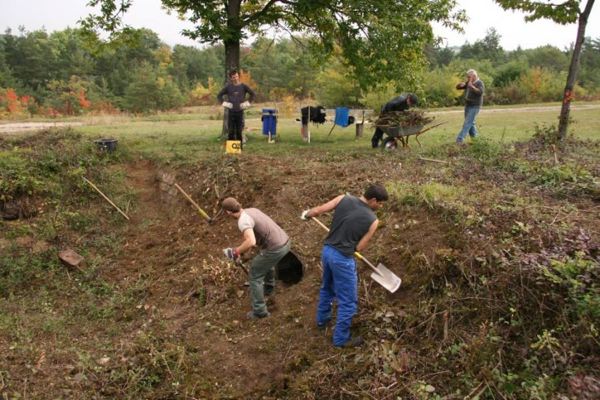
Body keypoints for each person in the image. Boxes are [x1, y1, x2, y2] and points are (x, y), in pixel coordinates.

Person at [301, 184, 389, 347]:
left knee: (327, 288)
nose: (380, 207)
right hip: (342, 259)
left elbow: (319, 210)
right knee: (348, 301)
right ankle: (341, 339)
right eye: (381, 203)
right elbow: (359, 248)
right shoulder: (373, 221)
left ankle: (322, 321)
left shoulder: (343, 198)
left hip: (327, 252)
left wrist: (307, 214)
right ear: (373, 200)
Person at [222, 197, 290, 319]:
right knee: (264, 261)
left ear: (228, 212)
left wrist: (235, 252)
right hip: (284, 241)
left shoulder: (243, 221)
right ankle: (268, 288)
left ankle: (260, 312)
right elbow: (251, 239)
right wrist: (242, 253)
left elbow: (251, 241)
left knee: (254, 275)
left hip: (275, 248)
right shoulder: (252, 210)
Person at [217, 70, 256, 147]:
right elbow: (219, 95)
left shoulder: (243, 86)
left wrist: (247, 103)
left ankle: (239, 149)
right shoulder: (228, 87)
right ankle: (230, 149)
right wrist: (225, 103)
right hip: (231, 112)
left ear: (238, 76)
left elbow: (253, 94)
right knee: (231, 131)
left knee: (239, 131)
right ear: (231, 78)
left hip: (240, 112)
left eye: (237, 76)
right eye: (234, 77)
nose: (236, 78)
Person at [455, 69, 485, 144]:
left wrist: (472, 87)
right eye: (467, 77)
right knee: (471, 123)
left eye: (469, 77)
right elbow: (458, 87)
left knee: (467, 123)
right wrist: (460, 85)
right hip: (468, 105)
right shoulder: (469, 82)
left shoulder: (479, 83)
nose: (468, 78)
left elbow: (480, 92)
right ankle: (476, 140)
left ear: (474, 76)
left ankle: (459, 139)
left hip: (475, 105)